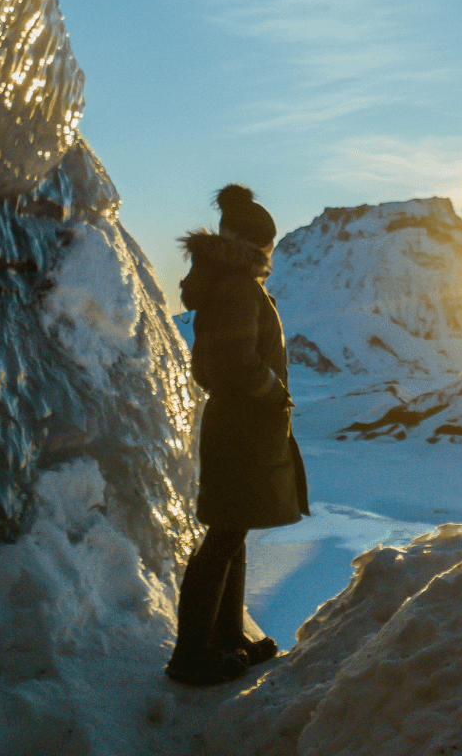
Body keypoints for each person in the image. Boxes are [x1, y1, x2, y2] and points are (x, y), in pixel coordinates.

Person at [165, 184, 310, 687]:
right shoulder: (236, 287)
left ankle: (226, 637)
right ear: (255, 245)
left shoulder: (229, 283)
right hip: (240, 427)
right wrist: (272, 391)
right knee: (224, 534)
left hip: (239, 426)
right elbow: (232, 358)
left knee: (234, 528)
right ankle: (191, 654)